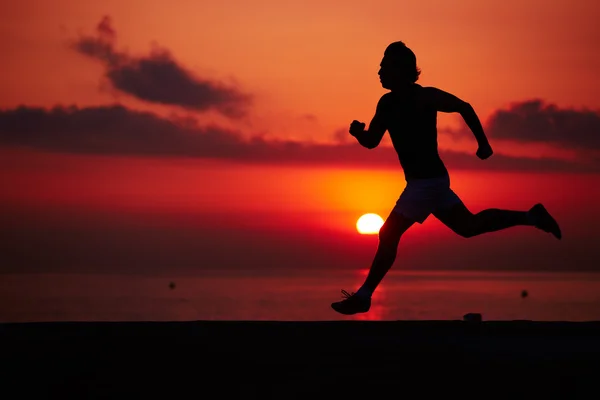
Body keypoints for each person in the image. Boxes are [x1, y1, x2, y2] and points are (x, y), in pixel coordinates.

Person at [331, 41, 561, 316]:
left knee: (388, 233)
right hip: (429, 183)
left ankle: (364, 296)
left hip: (426, 184)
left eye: (384, 66)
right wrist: (359, 133)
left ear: (401, 70)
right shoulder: (387, 104)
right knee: (469, 226)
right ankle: (531, 217)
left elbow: (464, 107)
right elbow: (372, 141)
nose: (379, 71)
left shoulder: (425, 97)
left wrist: (483, 143)